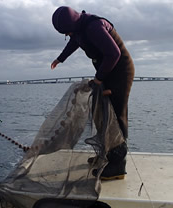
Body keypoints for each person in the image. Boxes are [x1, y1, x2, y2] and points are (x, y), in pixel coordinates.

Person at [51, 6, 134, 179]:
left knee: (116, 116)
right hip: (106, 73)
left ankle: (117, 166)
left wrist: (98, 78)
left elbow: (113, 53)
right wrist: (61, 58)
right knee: (102, 114)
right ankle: (107, 155)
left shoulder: (93, 27)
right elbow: (76, 41)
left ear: (73, 24)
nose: (69, 36)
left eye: (67, 32)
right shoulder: (79, 29)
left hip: (119, 73)